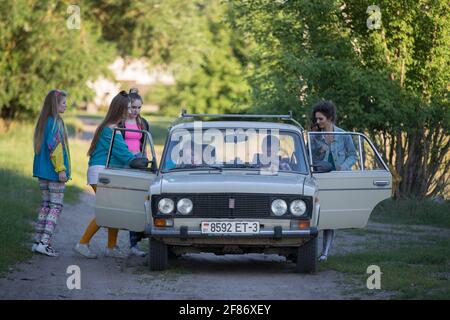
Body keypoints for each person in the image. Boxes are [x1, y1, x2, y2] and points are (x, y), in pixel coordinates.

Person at [73, 91, 136, 259]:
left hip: (103, 172)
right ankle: (83, 243)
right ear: (120, 109)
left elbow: (121, 153)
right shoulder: (110, 130)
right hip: (100, 173)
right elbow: (124, 154)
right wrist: (138, 160)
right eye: (128, 108)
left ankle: (111, 247)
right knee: (107, 210)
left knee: (113, 209)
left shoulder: (111, 126)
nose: (131, 111)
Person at [309, 100, 357, 262]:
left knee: (331, 217)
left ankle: (325, 253)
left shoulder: (343, 135)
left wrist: (344, 166)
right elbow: (310, 156)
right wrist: (316, 147)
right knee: (316, 215)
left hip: (337, 178)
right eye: (316, 119)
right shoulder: (315, 136)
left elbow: (353, 155)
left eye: (320, 119)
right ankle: (311, 251)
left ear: (329, 117)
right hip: (320, 177)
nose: (318, 122)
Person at [32, 89, 71, 257]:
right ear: (56, 105)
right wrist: (61, 169)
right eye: (63, 103)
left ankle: (37, 241)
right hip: (54, 172)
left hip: (42, 171)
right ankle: (44, 243)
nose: (66, 105)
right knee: (56, 206)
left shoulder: (43, 121)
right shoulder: (56, 122)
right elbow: (55, 147)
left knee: (46, 205)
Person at [118, 88, 149, 257]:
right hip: (125, 164)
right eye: (132, 107)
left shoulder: (142, 123)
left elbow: (144, 145)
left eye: (138, 108)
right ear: (126, 107)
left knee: (139, 201)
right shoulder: (120, 123)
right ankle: (112, 244)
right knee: (127, 203)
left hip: (139, 163)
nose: (134, 111)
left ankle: (134, 244)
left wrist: (146, 160)